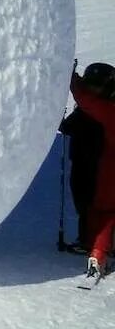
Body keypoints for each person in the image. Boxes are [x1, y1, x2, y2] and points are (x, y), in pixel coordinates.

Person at [69, 63, 115, 277]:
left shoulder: (109, 109)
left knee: (104, 211)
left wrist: (73, 81)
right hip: (103, 167)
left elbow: (89, 102)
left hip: (108, 171)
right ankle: (95, 248)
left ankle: (98, 252)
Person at [59, 106, 104, 252]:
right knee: (90, 200)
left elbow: (65, 127)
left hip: (82, 163)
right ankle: (94, 239)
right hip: (97, 161)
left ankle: (86, 239)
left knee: (83, 201)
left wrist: (60, 114)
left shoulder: (83, 112)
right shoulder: (100, 109)